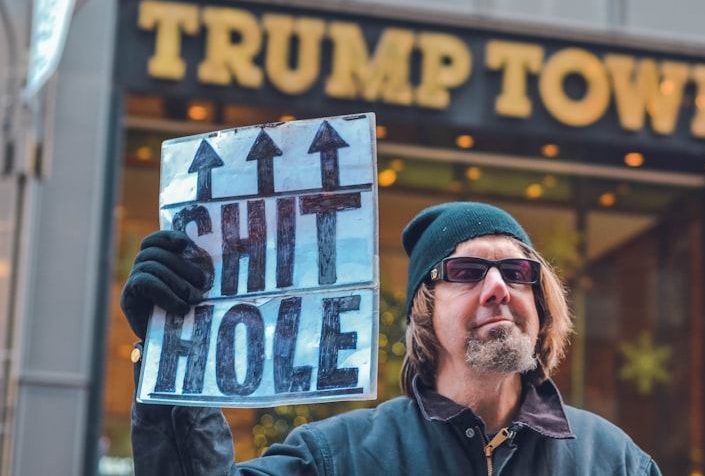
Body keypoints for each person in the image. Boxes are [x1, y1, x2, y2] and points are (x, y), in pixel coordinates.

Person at [122, 200, 662, 474]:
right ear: (425, 311)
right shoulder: (339, 458)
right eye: (468, 271)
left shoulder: (613, 462)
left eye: (519, 273)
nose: (498, 287)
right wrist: (174, 351)